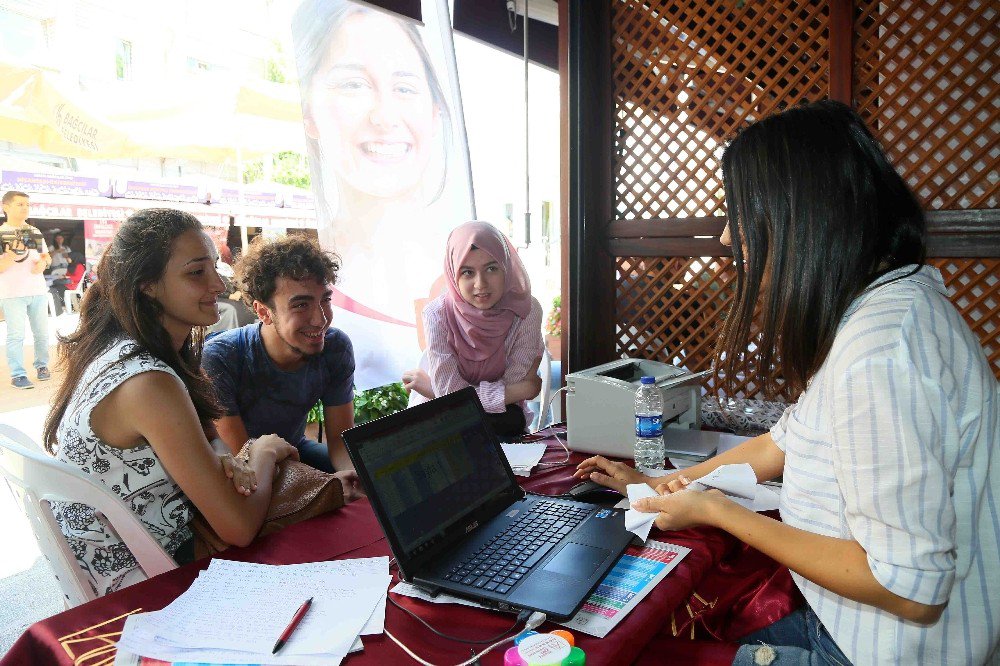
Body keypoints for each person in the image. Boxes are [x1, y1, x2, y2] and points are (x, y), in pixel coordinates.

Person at [575, 101, 999, 665]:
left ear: (801, 219)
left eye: (742, 214)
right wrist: (662, 486)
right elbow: (781, 444)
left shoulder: (879, 353)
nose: (729, 237)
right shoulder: (878, 307)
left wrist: (717, 511)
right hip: (847, 626)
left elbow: (911, 588)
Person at [41, 208, 300, 597]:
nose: (218, 284)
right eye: (196, 272)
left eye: (215, 266)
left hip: (127, 567)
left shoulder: (116, 350)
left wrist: (228, 459)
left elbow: (205, 440)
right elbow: (239, 528)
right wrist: (261, 451)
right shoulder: (149, 383)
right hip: (149, 589)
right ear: (147, 285)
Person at [292, 0, 470, 388]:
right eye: (353, 84)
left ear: (436, 110)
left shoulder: (471, 267)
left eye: (405, 87)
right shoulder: (307, 290)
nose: (384, 116)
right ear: (308, 111)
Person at [201, 235, 362, 487]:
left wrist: (355, 477)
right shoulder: (222, 357)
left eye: (325, 300)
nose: (321, 320)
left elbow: (341, 444)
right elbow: (243, 460)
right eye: (301, 305)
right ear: (264, 312)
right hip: (239, 470)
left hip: (294, 449)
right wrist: (326, 486)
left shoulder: (335, 348)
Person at [403, 222, 543, 440]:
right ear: (453, 275)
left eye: (491, 268)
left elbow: (453, 395)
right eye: (467, 272)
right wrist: (520, 391)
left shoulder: (526, 310)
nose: (481, 284)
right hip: (443, 423)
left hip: (503, 422)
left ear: (506, 267)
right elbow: (452, 396)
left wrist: (436, 391)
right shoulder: (437, 315)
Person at [0, 190, 51, 389]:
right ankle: (18, 374)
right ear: (5, 207)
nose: (25, 208)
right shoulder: (2, 233)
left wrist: (43, 264)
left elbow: (45, 257)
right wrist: (12, 253)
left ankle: (42, 366)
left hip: (37, 290)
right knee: (16, 335)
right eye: (20, 204)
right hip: (12, 294)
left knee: (42, 333)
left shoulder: (33, 232)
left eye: (28, 205)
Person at [49, 251, 85, 316]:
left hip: (73, 285)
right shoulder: (71, 265)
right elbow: (67, 275)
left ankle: (60, 306)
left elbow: (78, 278)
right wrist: (64, 276)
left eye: (68, 257)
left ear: (74, 257)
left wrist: (68, 277)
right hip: (68, 283)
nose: (67, 259)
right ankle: (56, 307)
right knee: (54, 286)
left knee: (57, 288)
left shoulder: (80, 266)